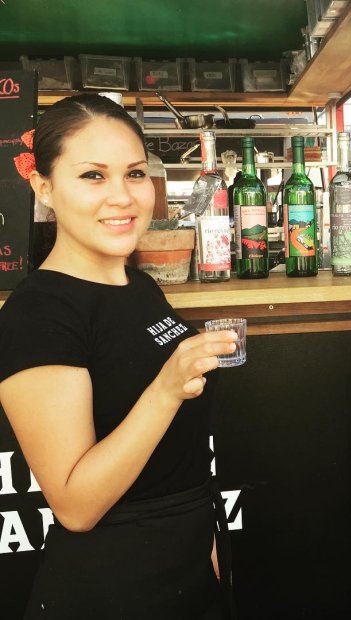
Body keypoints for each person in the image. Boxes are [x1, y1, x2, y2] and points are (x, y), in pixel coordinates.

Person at [0, 94, 238, 619]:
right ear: (44, 187)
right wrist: (166, 389)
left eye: (134, 174)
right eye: (92, 176)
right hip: (113, 588)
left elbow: (175, 458)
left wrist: (204, 540)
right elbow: (76, 506)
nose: (123, 197)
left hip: (187, 569)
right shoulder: (38, 312)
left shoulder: (140, 285)